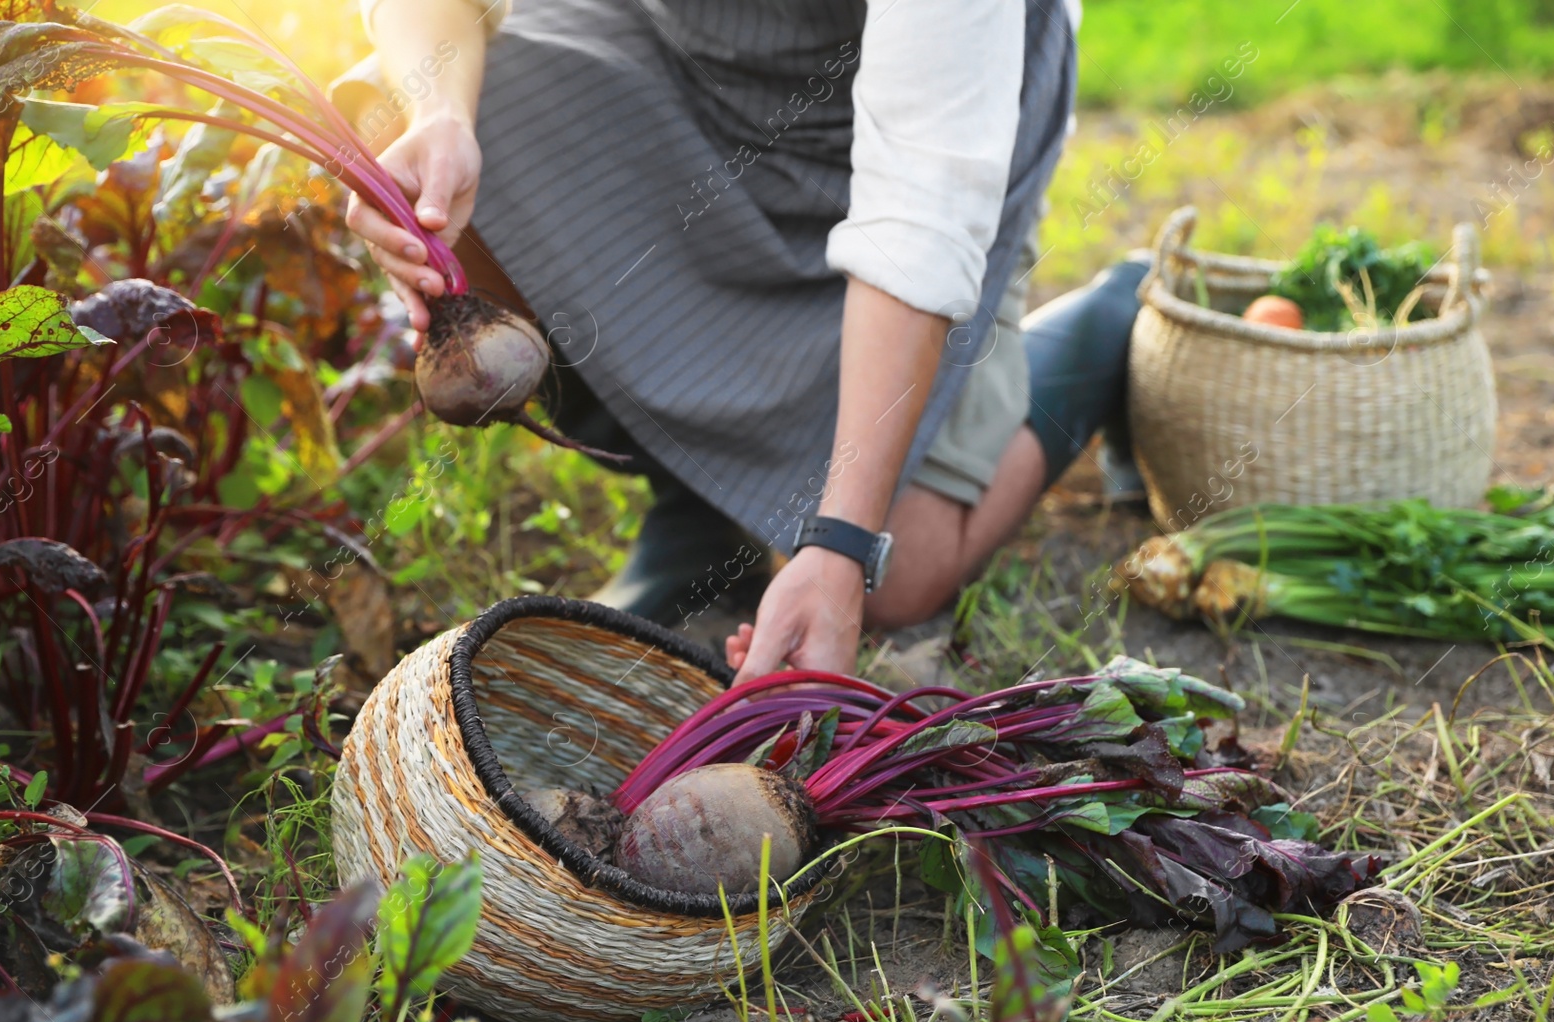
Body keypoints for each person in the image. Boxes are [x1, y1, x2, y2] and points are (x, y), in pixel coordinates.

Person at [346, 0, 1145, 687]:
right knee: (410, 125)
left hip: (927, 127)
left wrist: (840, 543)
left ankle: (1104, 324)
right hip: (692, 79)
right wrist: (440, 115)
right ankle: (695, 500)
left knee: (896, 577)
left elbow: (921, 214)